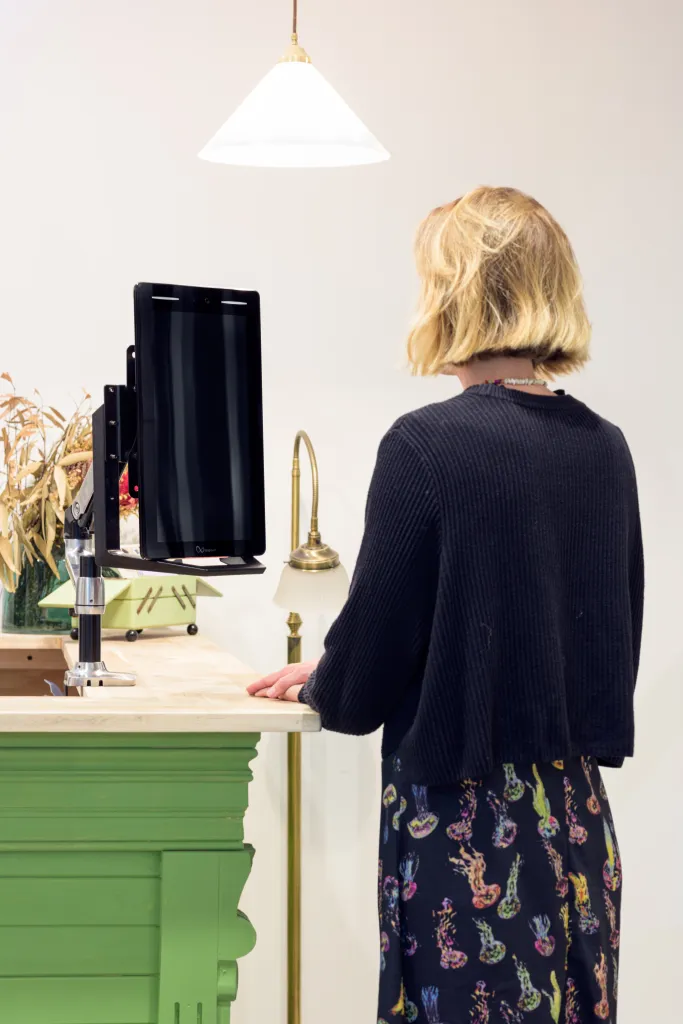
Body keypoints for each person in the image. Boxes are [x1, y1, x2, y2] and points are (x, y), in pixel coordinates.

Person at [248, 186, 643, 1022]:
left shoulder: (427, 444)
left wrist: (330, 674)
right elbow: (580, 640)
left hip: (467, 830)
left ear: (453, 293)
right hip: (577, 827)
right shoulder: (604, 449)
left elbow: (362, 686)